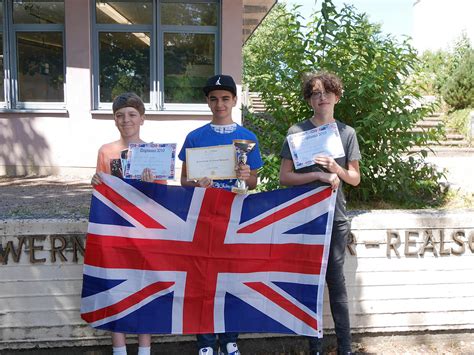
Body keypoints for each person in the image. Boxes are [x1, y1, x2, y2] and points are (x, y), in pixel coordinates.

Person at [178, 74, 264, 355]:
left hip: (235, 216)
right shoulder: (195, 136)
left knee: (231, 279)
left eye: (225, 98)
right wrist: (197, 182)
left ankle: (229, 339)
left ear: (234, 101)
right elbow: (184, 181)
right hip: (203, 216)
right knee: (203, 279)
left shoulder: (248, 138)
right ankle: (204, 342)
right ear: (208, 102)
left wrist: (245, 175)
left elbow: (252, 183)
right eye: (214, 99)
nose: (219, 104)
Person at [279, 72, 361, 355]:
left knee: (335, 283)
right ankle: (314, 346)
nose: (322, 96)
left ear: (337, 97)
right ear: (309, 100)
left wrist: (336, 170)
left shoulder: (347, 133)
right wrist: (316, 174)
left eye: (327, 91)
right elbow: (285, 177)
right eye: (315, 93)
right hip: (304, 217)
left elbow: (355, 178)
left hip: (335, 218)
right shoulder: (296, 132)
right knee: (308, 282)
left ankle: (345, 348)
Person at [91, 92, 165, 355]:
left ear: (142, 118)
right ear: (114, 120)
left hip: (145, 230)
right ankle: (119, 347)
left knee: (144, 286)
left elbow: (162, 198)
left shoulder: (155, 152)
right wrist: (96, 182)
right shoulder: (106, 151)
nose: (126, 120)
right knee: (115, 286)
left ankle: (144, 347)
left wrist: (149, 183)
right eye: (120, 115)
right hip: (116, 229)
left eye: (132, 114)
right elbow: (102, 193)